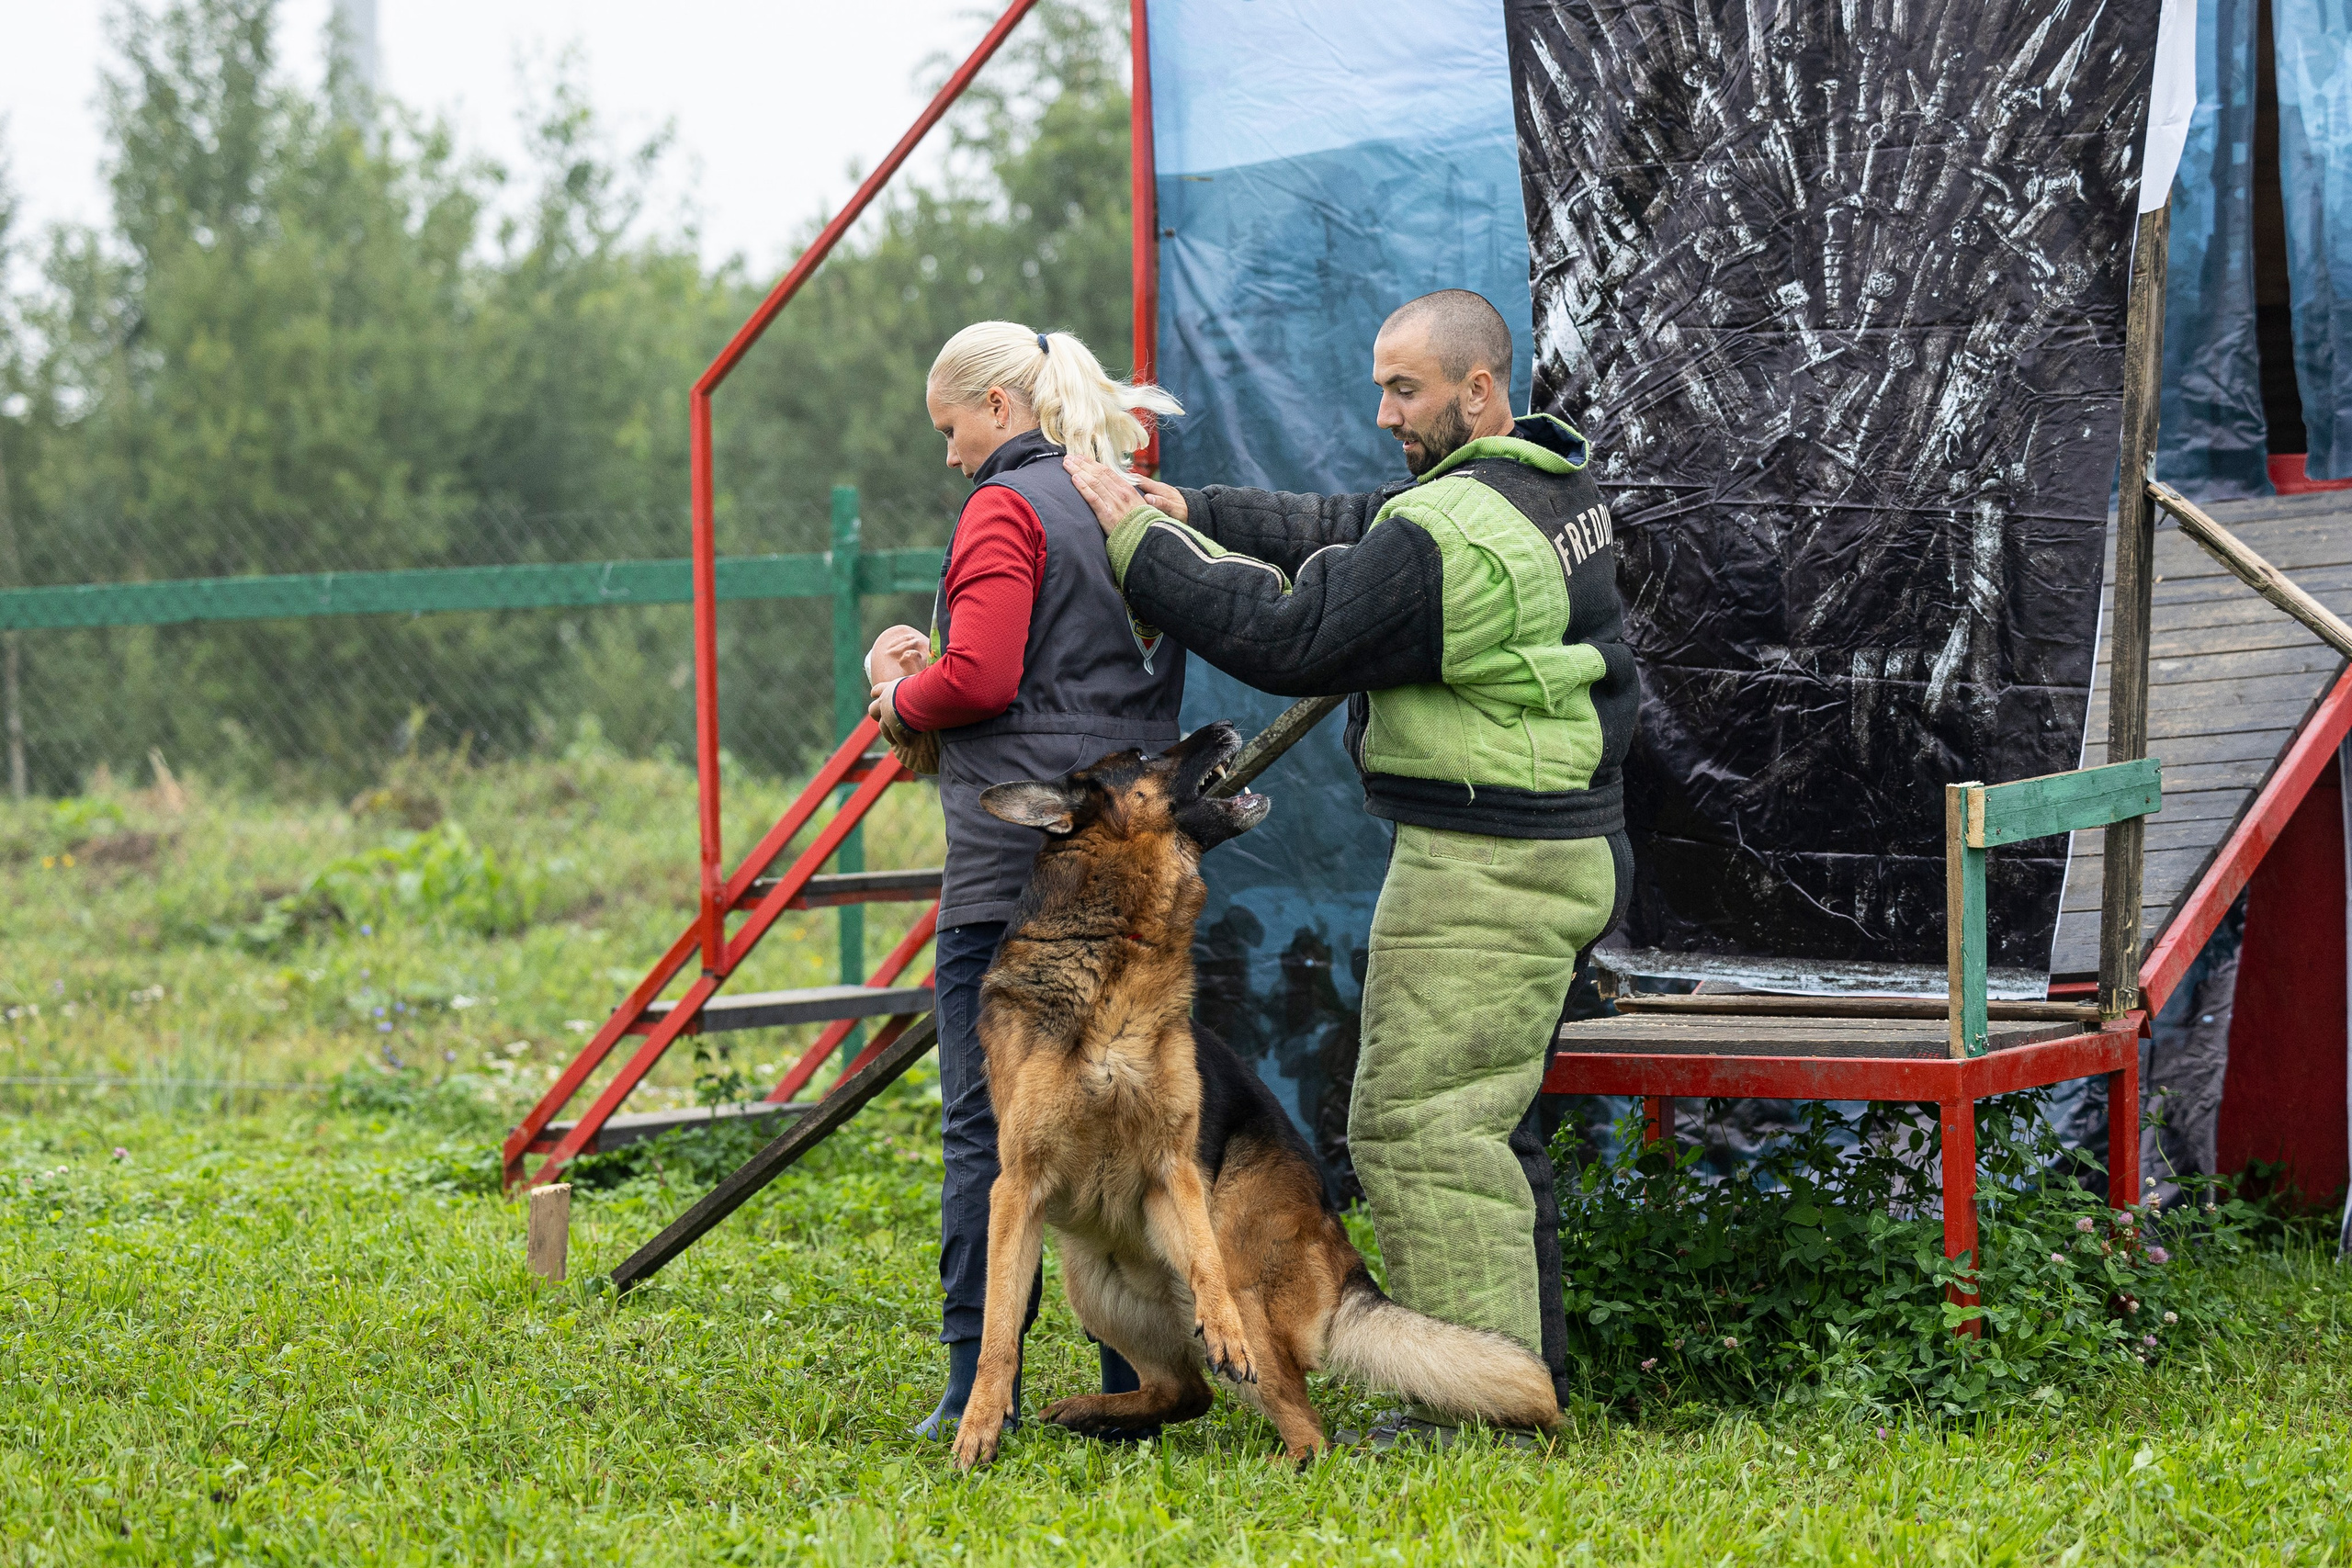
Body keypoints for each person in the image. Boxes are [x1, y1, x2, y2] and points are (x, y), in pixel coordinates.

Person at [1061, 289, 1635, 1444]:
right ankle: (1520, 1381)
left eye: (1405, 390)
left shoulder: (1455, 537)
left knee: (1426, 1126)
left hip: (1492, 864)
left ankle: (1477, 1415)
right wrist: (1194, 510)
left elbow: (1294, 631)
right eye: (1381, 388)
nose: (1384, 412)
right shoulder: (1538, 484)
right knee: (1475, 1118)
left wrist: (1136, 539)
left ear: (1478, 387)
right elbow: (1357, 526)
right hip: (1553, 844)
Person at [862, 320, 1186, 1439]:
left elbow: (981, 676)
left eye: (950, 427)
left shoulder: (1002, 506)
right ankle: (1131, 1368)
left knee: (987, 1128)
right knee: (1116, 1124)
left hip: (1016, 874)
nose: (949, 454)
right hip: (1127, 869)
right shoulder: (1112, 501)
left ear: (998, 408)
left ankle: (968, 1383)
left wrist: (895, 696)